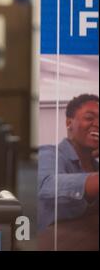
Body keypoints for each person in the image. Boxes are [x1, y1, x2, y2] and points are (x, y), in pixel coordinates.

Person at [38, 94, 99, 235]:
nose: (97, 124)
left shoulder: (95, 167)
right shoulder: (50, 153)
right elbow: (46, 186)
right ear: (68, 123)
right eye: (89, 118)